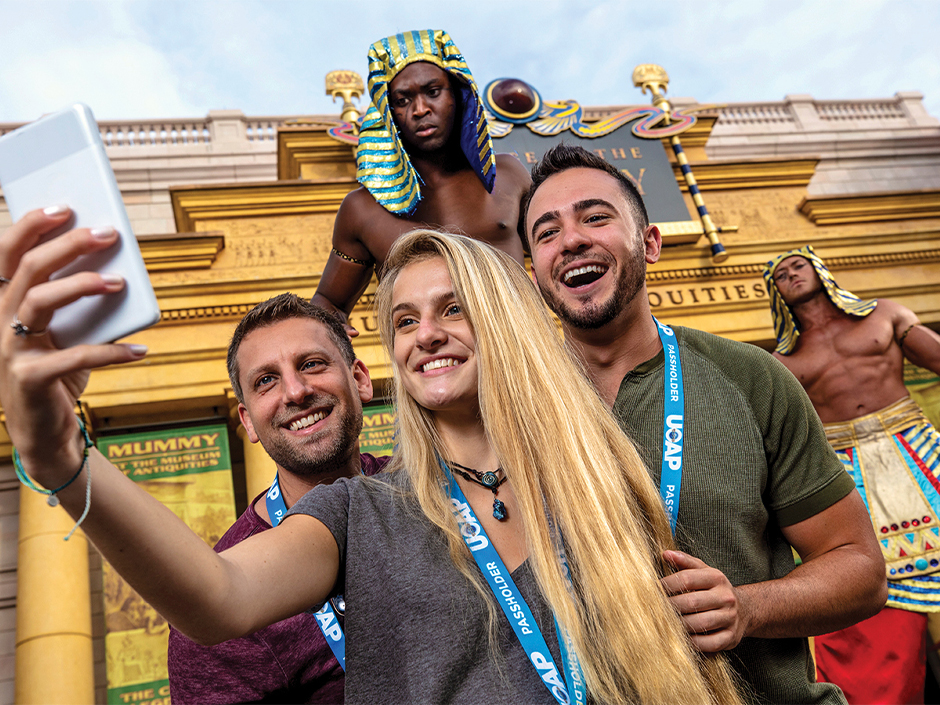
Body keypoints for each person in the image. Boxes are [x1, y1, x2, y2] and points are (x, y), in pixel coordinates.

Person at [0, 210, 741, 705]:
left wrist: (731, 606)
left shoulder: (597, 475)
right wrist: (62, 455)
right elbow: (216, 594)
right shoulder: (362, 510)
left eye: (453, 308)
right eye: (404, 320)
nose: (427, 333)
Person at [523, 144, 888, 704]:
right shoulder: (507, 410)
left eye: (596, 217)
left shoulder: (750, 377)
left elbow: (860, 567)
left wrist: (747, 607)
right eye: (546, 233)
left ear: (650, 244)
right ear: (534, 274)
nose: (571, 240)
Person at [167, 293, 390, 704]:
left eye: (311, 364)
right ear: (248, 421)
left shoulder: (437, 493)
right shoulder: (220, 613)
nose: (296, 391)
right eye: (266, 380)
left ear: (359, 378)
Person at [764, 245, 940, 704]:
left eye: (797, 266)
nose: (791, 276)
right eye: (780, 275)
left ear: (820, 269)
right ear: (775, 293)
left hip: (915, 445)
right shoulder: (781, 364)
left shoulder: (885, 316)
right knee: (859, 574)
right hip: (843, 465)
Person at [312, 29, 531, 334]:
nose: (420, 110)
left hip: (523, 363)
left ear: (457, 93)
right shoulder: (362, 210)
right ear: (388, 111)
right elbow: (328, 302)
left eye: (433, 91)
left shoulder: (508, 174)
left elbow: (557, 250)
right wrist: (330, 334)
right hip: (434, 369)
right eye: (402, 100)